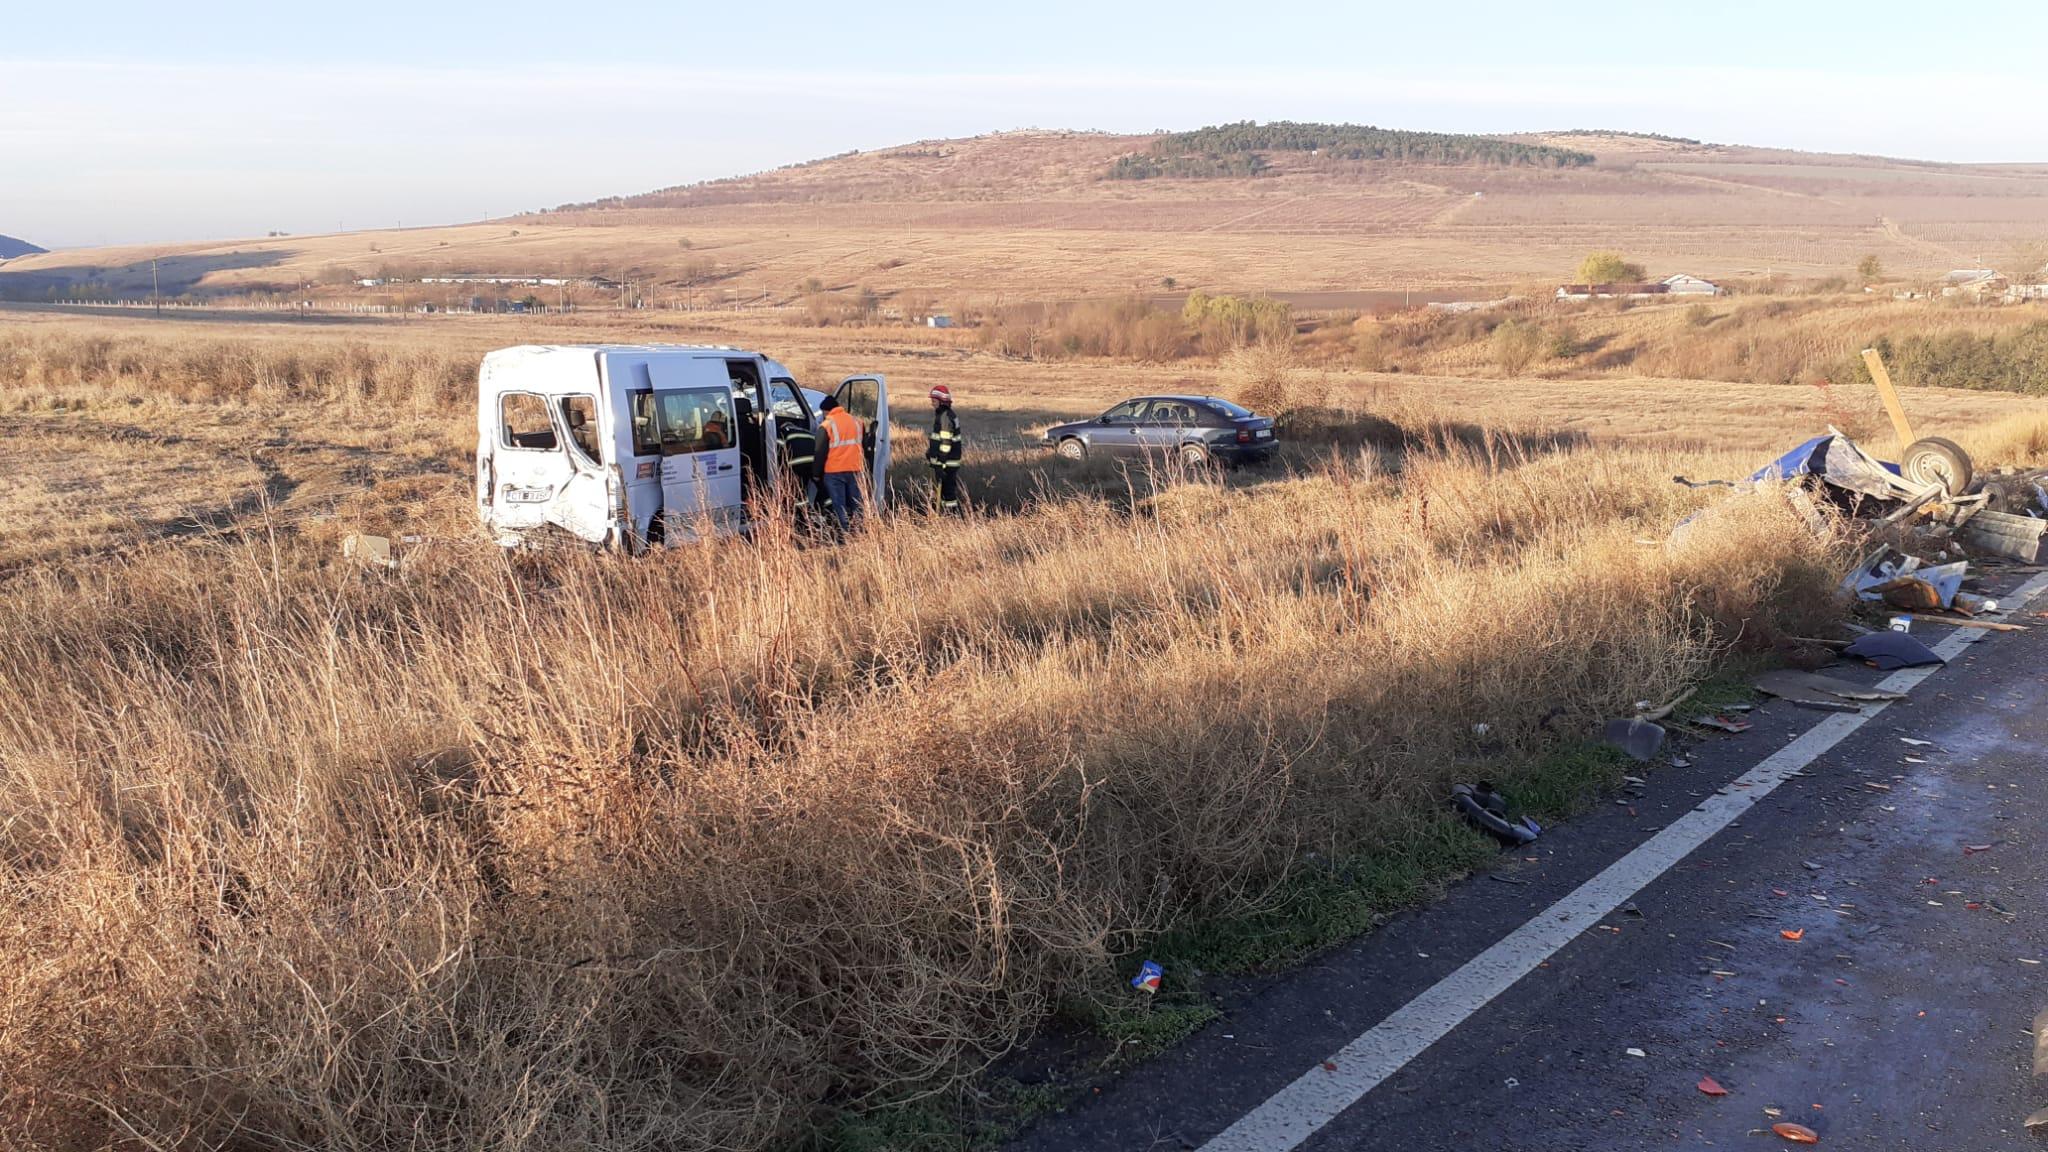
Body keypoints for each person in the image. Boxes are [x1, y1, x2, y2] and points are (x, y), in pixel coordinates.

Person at [817, 395, 865, 534]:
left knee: (839, 505)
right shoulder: (857, 422)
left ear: (826, 411)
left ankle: (844, 533)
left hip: (834, 472)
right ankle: (859, 531)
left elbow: (820, 453)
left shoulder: (826, 425)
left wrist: (816, 474)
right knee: (857, 503)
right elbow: (864, 444)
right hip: (855, 469)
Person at [924, 384, 963, 514]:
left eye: (934, 401)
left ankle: (951, 517)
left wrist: (940, 463)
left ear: (941, 402)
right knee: (942, 493)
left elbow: (945, 443)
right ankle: (944, 516)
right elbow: (938, 439)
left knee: (948, 493)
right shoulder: (946, 415)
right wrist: (931, 453)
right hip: (946, 462)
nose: (932, 404)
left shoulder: (945, 417)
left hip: (947, 463)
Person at [777, 406, 820, 517]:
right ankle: (812, 511)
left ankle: (798, 515)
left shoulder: (782, 432)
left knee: (797, 489)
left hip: (796, 464)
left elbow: (779, 451)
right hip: (813, 462)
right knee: (808, 486)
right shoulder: (805, 431)